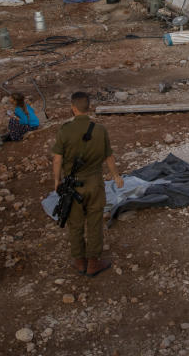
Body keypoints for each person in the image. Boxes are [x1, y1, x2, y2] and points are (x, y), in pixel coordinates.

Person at [52, 91, 124, 277]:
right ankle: (93, 262)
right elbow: (109, 157)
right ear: (89, 107)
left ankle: (79, 260)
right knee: (94, 222)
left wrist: (57, 180)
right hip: (95, 183)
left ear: (73, 108)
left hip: (73, 185)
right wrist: (116, 176)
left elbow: (57, 159)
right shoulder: (100, 130)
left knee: (74, 223)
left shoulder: (65, 130)